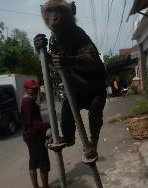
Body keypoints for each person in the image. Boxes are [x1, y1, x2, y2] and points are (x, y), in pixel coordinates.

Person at [34, 0, 107, 161]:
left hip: (95, 87)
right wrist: (41, 51)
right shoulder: (54, 39)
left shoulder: (77, 34)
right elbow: (55, 65)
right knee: (66, 115)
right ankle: (68, 138)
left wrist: (70, 60)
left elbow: (93, 61)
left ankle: (92, 143)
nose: (54, 18)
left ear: (71, 11)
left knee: (95, 114)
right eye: (49, 12)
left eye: (58, 11)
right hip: (75, 90)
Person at [21, 79, 50, 188]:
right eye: (33, 89)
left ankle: (36, 186)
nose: (36, 90)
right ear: (27, 89)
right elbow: (32, 123)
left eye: (36, 88)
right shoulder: (27, 102)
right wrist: (47, 124)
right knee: (43, 162)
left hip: (30, 135)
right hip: (34, 136)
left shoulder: (29, 100)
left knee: (33, 160)